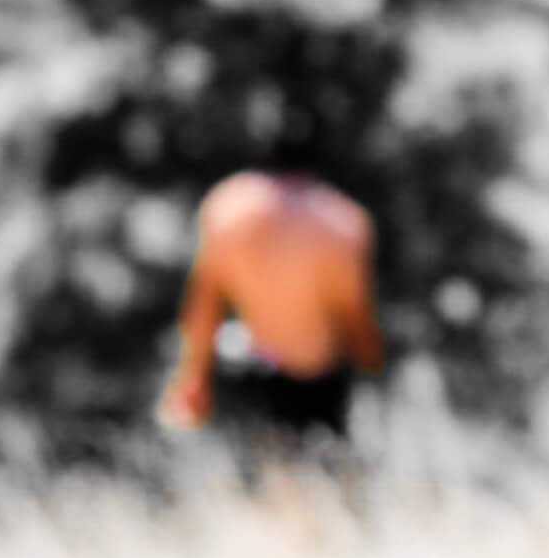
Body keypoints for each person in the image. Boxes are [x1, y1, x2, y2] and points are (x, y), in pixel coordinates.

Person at [155, 170, 384, 438]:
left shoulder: (228, 206)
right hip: (319, 380)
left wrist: (193, 377)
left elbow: (204, 305)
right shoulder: (342, 220)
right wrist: (374, 368)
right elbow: (355, 319)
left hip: (257, 371)